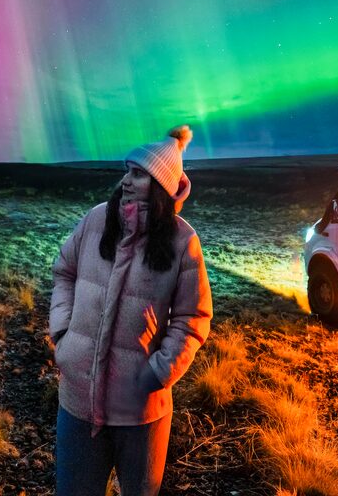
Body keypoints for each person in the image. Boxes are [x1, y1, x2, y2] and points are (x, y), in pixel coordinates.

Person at [49, 125, 213, 496]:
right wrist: (64, 336)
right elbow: (64, 272)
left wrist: (157, 372)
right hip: (77, 399)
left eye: (138, 174)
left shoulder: (182, 241)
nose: (126, 180)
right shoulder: (95, 221)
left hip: (142, 412)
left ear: (159, 185)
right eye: (127, 170)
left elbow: (194, 317)